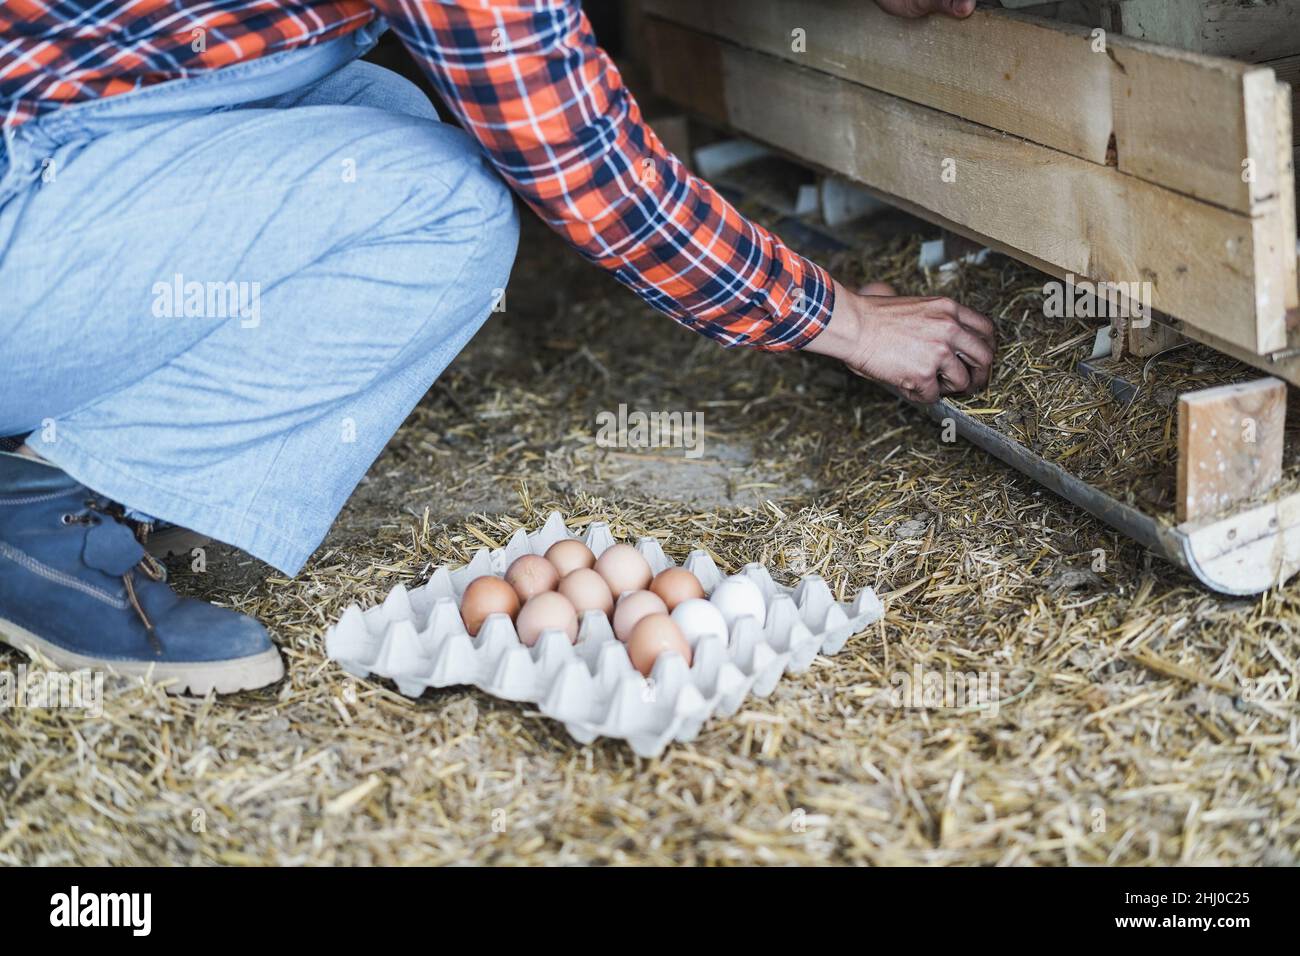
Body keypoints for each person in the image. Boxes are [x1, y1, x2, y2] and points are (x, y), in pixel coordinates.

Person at [0, 0, 994, 694]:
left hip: (63, 162)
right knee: (442, 203)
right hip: (25, 196)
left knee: (374, 117)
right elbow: (583, 161)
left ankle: (98, 455)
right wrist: (849, 323)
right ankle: (36, 522)